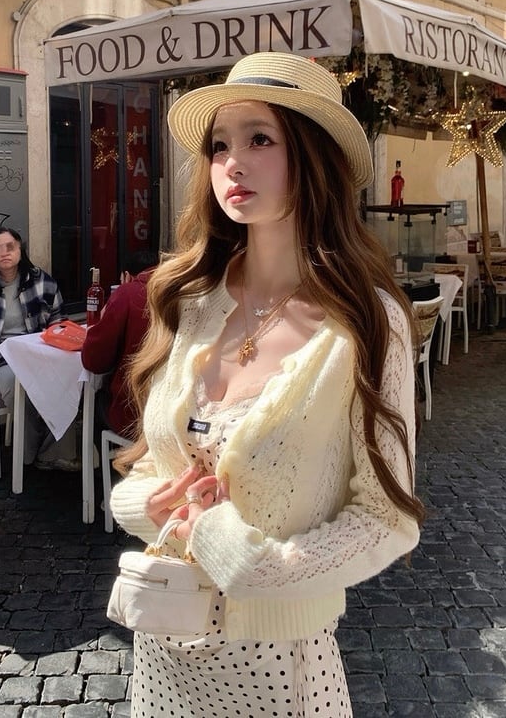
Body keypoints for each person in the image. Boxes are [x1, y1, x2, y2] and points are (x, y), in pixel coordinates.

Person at [109, 52, 425, 717]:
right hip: (162, 650)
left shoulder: (366, 324)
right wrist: (142, 505)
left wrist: (252, 563)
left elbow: (386, 521)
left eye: (259, 139)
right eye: (219, 145)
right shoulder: (190, 301)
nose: (232, 162)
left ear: (312, 157)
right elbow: (152, 464)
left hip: (278, 668)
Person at [0, 226, 78, 470]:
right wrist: (1, 353)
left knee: (65, 381)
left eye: (10, 247)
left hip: (38, 355)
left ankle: (55, 453)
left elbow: (58, 323)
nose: (4, 253)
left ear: (21, 250)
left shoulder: (42, 282)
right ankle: (28, 454)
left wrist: (51, 348)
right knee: (17, 384)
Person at [81, 249, 159, 440]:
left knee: (91, 404)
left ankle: (105, 458)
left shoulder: (128, 293)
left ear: (126, 276)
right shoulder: (180, 291)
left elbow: (94, 361)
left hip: (133, 411)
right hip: (174, 409)